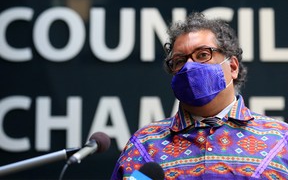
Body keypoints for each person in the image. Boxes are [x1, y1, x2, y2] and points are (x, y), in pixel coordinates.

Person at [111, 12, 288, 179]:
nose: (189, 67)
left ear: (233, 67)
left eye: (203, 55)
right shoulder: (144, 146)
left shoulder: (281, 140)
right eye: (180, 61)